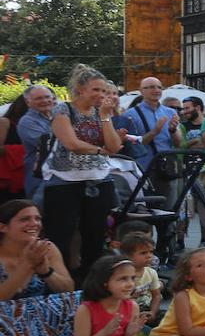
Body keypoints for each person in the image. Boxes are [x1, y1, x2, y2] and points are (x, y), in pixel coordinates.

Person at [43, 65, 123, 280]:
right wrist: (99, 149)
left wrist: (106, 118)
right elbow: (71, 143)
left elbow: (114, 147)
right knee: (61, 234)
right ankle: (61, 281)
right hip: (64, 180)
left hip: (98, 179)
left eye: (104, 91)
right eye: (96, 90)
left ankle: (91, 282)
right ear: (80, 88)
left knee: (95, 236)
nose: (101, 95)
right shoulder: (63, 109)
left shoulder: (101, 112)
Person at [0, 200, 78, 336]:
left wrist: (45, 271)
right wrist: (27, 265)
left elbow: (68, 290)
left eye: (37, 219)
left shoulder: (47, 249)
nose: (34, 224)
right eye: (24, 219)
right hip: (5, 322)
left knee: (81, 299)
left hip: (39, 320)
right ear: (3, 227)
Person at [122, 77, 182, 177]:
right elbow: (133, 146)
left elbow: (178, 143)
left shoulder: (170, 112)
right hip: (144, 168)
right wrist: (155, 131)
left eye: (159, 87)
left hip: (167, 166)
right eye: (151, 87)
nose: (156, 90)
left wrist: (173, 130)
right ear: (141, 91)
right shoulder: (130, 115)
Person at [17, 86, 57, 205]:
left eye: (47, 97)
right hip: (40, 180)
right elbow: (50, 145)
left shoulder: (56, 116)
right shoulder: (27, 121)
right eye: (38, 98)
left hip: (58, 176)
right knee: (42, 216)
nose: (44, 101)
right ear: (28, 102)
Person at [120, 232, 162, 319]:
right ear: (128, 256)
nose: (149, 256)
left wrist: (152, 312)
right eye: (143, 253)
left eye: (151, 252)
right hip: (126, 312)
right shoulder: (121, 275)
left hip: (146, 309)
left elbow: (157, 295)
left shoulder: (151, 272)